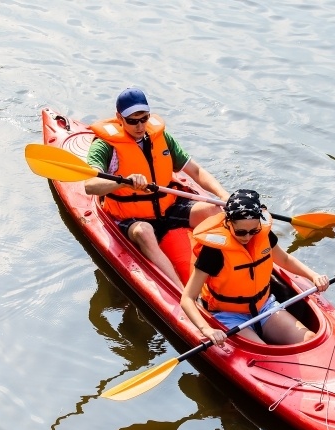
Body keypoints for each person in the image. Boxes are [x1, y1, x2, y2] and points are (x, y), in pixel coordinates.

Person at [85, 87, 230, 289]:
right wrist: (123, 181)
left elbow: (196, 171)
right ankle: (181, 293)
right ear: (119, 117)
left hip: (168, 207)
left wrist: (224, 195)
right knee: (144, 232)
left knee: (215, 211)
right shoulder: (105, 146)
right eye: (132, 121)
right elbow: (90, 186)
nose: (140, 126)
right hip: (130, 217)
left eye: (144, 119)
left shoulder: (161, 138)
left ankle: (232, 273)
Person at [181, 189, 330, 346]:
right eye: (241, 232)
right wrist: (206, 329)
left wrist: (313, 275)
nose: (248, 237)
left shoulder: (264, 235)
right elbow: (187, 298)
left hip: (264, 307)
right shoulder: (213, 251)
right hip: (227, 315)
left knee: (309, 338)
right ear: (228, 222)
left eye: (253, 230)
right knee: (263, 351)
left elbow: (285, 260)